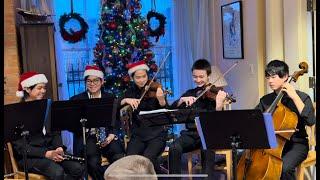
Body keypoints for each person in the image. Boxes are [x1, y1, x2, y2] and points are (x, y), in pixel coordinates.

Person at [12, 71, 84, 180]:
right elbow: (20, 147)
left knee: (77, 168)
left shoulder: (47, 107)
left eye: (44, 88)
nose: (43, 91)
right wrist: (46, 154)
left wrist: (59, 148)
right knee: (57, 172)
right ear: (27, 89)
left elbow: (55, 132)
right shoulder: (17, 113)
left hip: (51, 151)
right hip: (31, 157)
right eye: (39, 88)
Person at [255, 60, 315, 180]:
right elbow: (255, 120)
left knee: (284, 168)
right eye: (268, 77)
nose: (270, 81)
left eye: (274, 77)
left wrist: (294, 96)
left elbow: (310, 120)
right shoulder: (265, 100)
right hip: (272, 145)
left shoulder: (302, 97)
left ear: (286, 77)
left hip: (296, 144)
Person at [168, 59, 228, 179]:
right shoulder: (190, 93)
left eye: (201, 76)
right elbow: (171, 111)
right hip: (190, 135)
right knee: (174, 147)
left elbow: (219, 122)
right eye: (195, 77)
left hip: (208, 134)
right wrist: (181, 100)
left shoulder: (215, 96)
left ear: (208, 76)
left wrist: (219, 105)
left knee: (207, 148)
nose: (198, 80)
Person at [71, 65, 125, 180]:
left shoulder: (110, 98)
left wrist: (112, 134)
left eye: (96, 80)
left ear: (102, 82)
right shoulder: (76, 100)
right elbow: (72, 125)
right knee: (93, 163)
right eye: (89, 81)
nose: (92, 83)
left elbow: (116, 120)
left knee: (119, 157)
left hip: (107, 135)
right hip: (88, 137)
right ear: (85, 82)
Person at [120, 60, 168, 173]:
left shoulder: (155, 88)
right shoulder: (130, 91)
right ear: (132, 78)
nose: (142, 80)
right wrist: (126, 100)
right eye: (138, 77)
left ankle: (161, 175)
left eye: (144, 76)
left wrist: (161, 99)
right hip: (138, 135)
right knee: (129, 159)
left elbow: (165, 109)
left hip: (157, 134)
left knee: (148, 158)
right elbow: (117, 103)